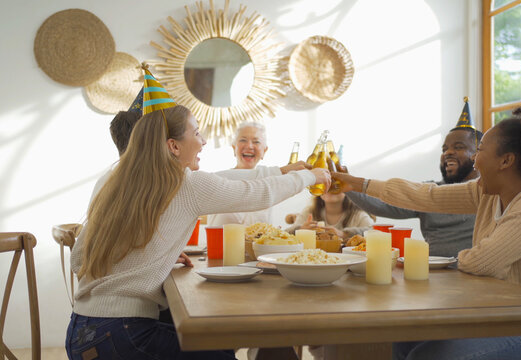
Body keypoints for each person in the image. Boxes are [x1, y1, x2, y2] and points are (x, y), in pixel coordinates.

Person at [332, 100, 521, 360]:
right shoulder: (488, 191)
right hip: (494, 314)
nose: (474, 159)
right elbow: (428, 196)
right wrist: (358, 183)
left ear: (505, 161)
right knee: (400, 340)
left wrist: (459, 257)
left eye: (479, 150)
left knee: (427, 357)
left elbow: (482, 263)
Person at [66, 103, 330, 359]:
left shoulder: (118, 181)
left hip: (82, 332)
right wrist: (310, 177)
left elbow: (78, 259)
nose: (203, 141)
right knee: (218, 349)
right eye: (196, 133)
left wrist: (153, 254)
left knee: (220, 348)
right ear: (174, 146)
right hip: (125, 337)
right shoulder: (186, 185)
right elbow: (256, 192)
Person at [346, 98, 482, 256]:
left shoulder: (488, 192)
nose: (448, 152)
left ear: (478, 154)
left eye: (459, 147)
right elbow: (383, 204)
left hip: (472, 275)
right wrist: (347, 185)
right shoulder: (428, 191)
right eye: (444, 149)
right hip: (431, 272)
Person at [207, 121, 275, 226]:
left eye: (256, 142)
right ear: (234, 148)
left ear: (264, 151)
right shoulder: (221, 181)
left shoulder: (267, 187)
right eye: (243, 140)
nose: (249, 146)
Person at [287, 192, 374, 239]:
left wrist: (345, 234)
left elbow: (375, 232)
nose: (330, 188)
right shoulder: (309, 211)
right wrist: (300, 229)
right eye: (326, 184)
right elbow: (285, 234)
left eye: (335, 185)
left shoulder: (358, 215)